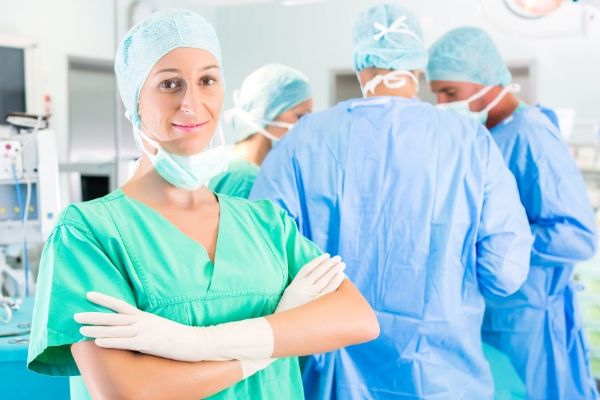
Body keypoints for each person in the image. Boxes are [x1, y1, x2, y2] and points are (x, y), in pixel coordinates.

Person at [27, 9, 379, 400]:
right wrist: (268, 342)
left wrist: (199, 344)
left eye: (207, 80)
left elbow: (357, 318)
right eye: (169, 84)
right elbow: (127, 392)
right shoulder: (88, 233)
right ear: (134, 99)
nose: (191, 102)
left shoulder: (265, 222)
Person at [250, 4, 533, 399]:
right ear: (418, 66)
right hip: (442, 376)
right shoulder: (468, 141)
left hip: (335, 374)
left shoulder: (305, 139)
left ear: (361, 63)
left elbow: (260, 257)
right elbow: (504, 272)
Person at [427, 26, 598, 400]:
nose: (441, 103)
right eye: (436, 92)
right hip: (496, 311)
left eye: (450, 92)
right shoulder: (485, 136)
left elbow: (576, 235)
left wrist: (495, 248)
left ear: (485, 81)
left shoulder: (530, 135)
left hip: (528, 318)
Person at [209, 63, 313, 198]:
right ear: (267, 112)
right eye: (300, 116)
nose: (306, 125)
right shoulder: (246, 180)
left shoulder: (226, 164)